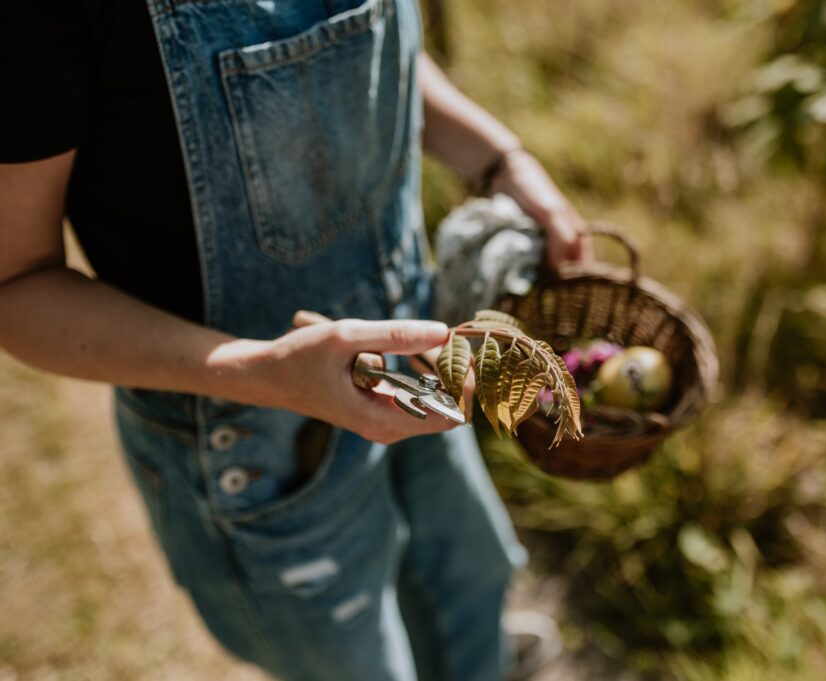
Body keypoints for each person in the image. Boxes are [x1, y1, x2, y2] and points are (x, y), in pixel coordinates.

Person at [0, 0, 589, 679]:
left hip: (415, 369)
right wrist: (262, 370)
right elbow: (17, 284)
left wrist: (498, 158)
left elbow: (365, 46)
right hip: (259, 442)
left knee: (469, 581)